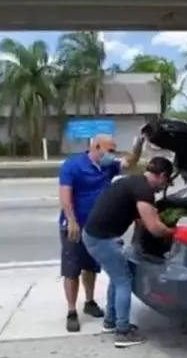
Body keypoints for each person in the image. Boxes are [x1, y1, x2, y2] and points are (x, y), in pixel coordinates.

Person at [82, 156, 175, 348]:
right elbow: (155, 228)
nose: (165, 186)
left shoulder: (133, 182)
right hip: (102, 240)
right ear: (163, 175)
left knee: (117, 278)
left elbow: (141, 219)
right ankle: (122, 332)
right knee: (124, 281)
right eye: (167, 180)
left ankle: (111, 321)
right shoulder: (144, 190)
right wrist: (176, 232)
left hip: (95, 235)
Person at [58, 133, 144, 332]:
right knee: (72, 269)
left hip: (95, 229)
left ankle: (89, 301)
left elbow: (131, 161)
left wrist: (139, 142)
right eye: (110, 149)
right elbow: (65, 196)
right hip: (74, 226)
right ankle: (71, 311)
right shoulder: (73, 166)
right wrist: (71, 221)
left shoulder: (107, 167)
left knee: (91, 266)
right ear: (96, 147)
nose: (112, 154)